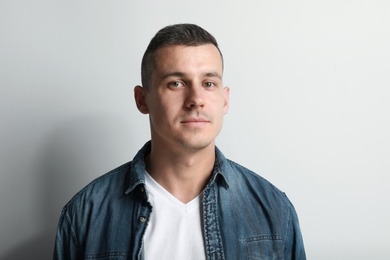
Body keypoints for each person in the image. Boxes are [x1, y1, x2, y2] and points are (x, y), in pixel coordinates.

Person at [53, 23, 306, 260]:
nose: (196, 99)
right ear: (142, 100)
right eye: (176, 83)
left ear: (225, 99)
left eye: (208, 83)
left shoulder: (273, 209)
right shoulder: (86, 214)